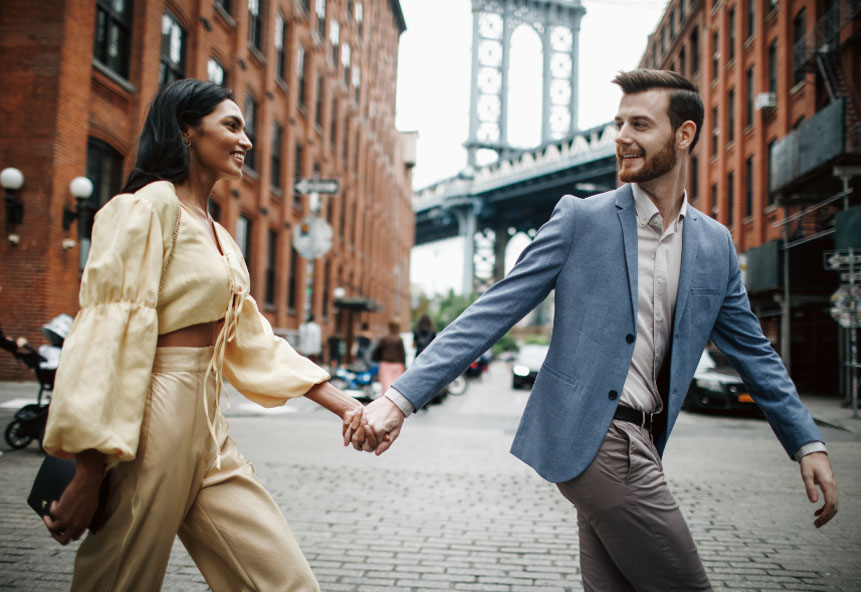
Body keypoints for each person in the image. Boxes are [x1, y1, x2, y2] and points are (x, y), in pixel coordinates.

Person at [350, 69, 838, 591]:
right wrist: (399, 399)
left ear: (685, 134)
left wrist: (807, 442)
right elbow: (493, 310)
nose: (622, 137)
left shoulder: (715, 246)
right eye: (618, 123)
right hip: (601, 440)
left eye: (640, 124)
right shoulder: (580, 219)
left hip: (646, 441)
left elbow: (755, 354)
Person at [41, 79, 371, 592]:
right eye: (232, 126)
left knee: (283, 580)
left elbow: (250, 337)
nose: (247, 141)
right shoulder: (148, 207)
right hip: (153, 416)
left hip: (209, 422)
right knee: (120, 581)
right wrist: (87, 472)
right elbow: (106, 336)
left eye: (246, 129)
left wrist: (346, 405)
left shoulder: (218, 233)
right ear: (187, 131)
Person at [372, 320, 407, 394]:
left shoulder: (384, 339)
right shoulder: (399, 340)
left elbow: (377, 351)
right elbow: (402, 354)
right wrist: (404, 366)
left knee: (386, 387)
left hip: (385, 364)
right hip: (397, 365)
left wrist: (377, 359)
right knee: (396, 388)